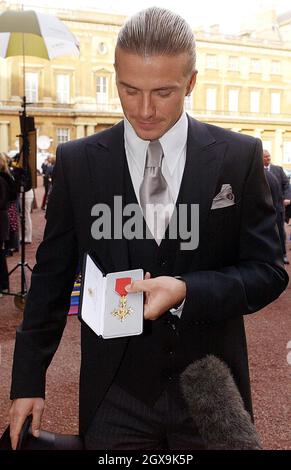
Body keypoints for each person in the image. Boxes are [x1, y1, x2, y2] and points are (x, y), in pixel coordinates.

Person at [9, 7, 288, 450]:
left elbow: (269, 272)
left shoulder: (239, 156)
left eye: (163, 92)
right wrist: (28, 380)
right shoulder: (79, 162)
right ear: (115, 76)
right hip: (114, 391)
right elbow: (50, 279)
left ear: (191, 82)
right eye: (128, 89)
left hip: (212, 390)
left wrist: (186, 290)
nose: (143, 109)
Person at [263, 149, 291, 264]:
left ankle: (283, 254)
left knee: (280, 231)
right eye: (265, 157)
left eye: (269, 156)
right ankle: (267, 256)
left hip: (278, 207)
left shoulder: (278, 169)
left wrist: (287, 197)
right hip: (263, 207)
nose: (268, 158)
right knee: (265, 231)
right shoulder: (256, 170)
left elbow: (286, 184)